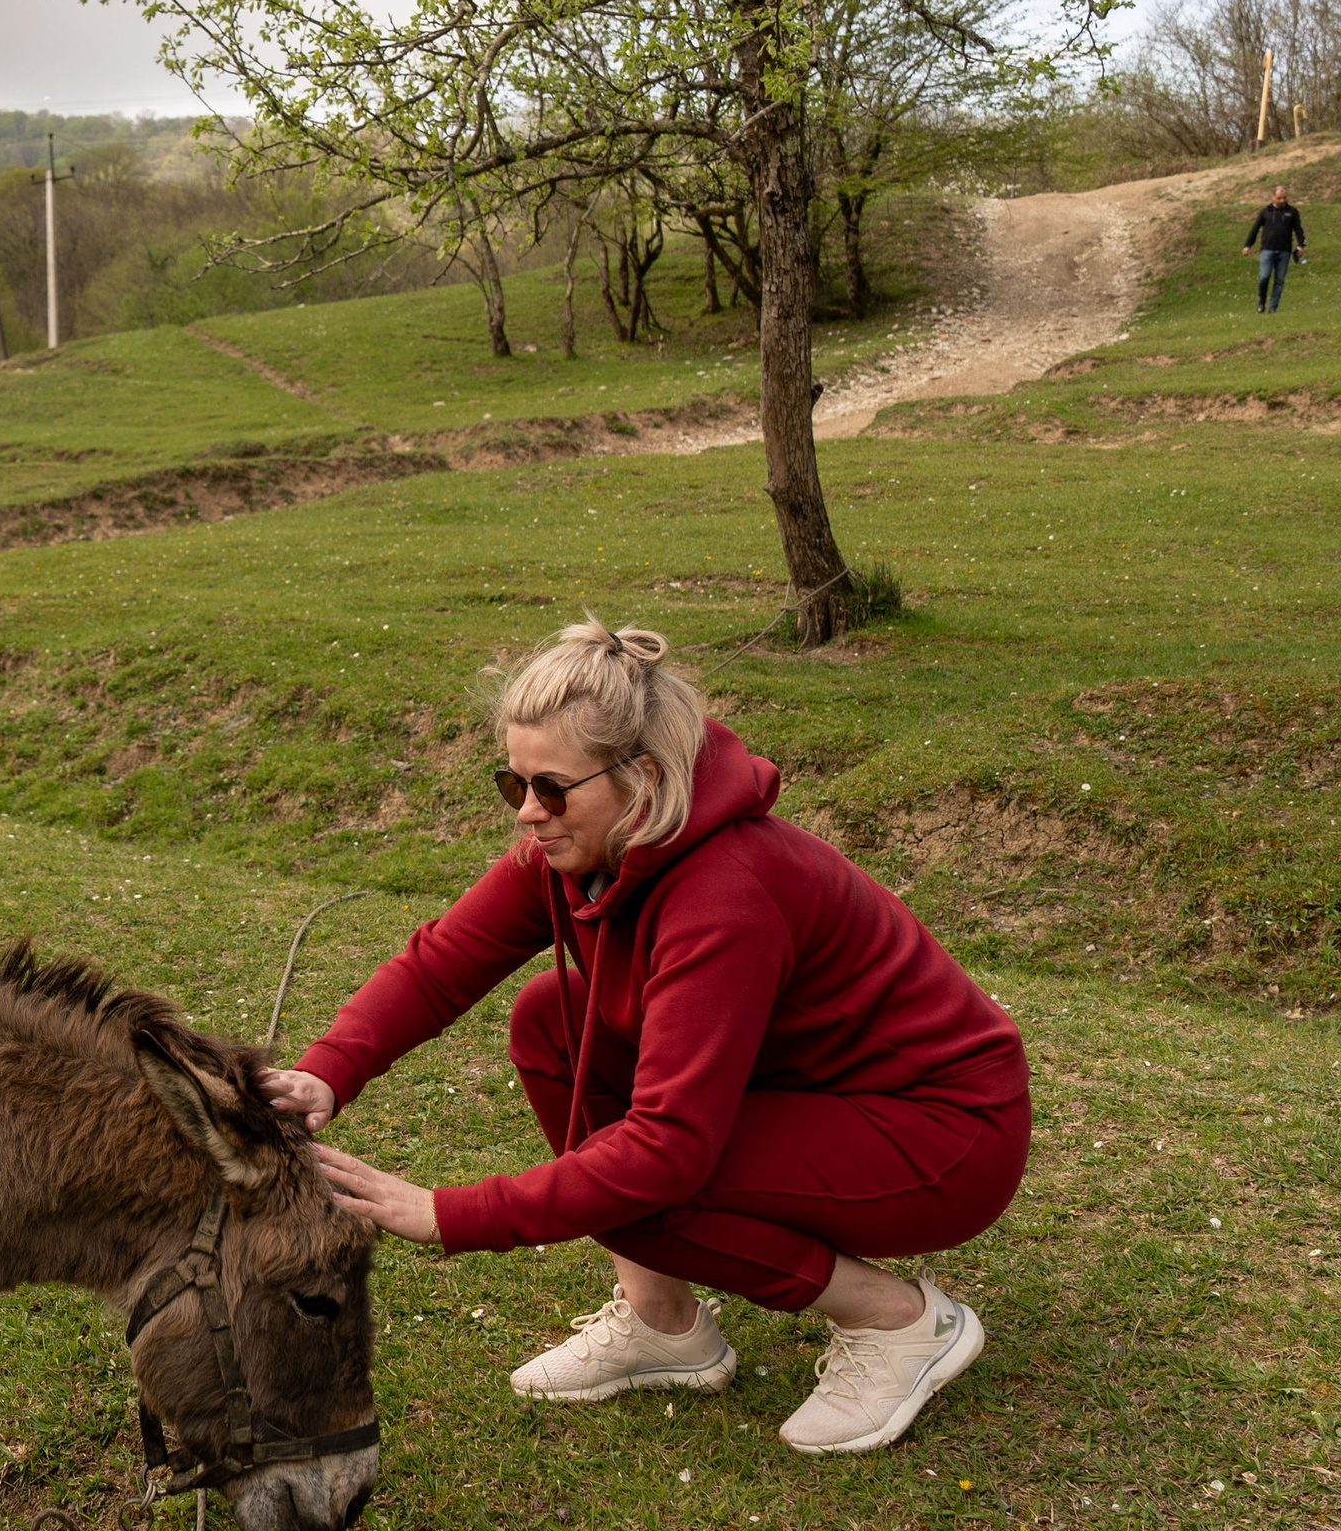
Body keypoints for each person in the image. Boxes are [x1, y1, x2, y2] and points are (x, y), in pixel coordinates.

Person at [264, 620, 1031, 1456]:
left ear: (643, 778)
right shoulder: (577, 850)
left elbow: (665, 1149)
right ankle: (663, 1322)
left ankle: (901, 1321)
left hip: (943, 1129)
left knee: (655, 1183)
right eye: (512, 783)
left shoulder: (724, 893)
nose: (528, 813)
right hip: (811, 1091)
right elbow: (442, 962)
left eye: (551, 788)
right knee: (550, 1016)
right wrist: (325, 1074)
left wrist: (449, 1214)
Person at [1242, 186, 1306, 314]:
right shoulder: (1265, 212)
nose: (1282, 200)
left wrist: (1301, 245)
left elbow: (1298, 230)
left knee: (1279, 280)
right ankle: (1261, 299)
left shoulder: (1292, 212)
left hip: (1285, 251)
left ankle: (1273, 307)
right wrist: (1248, 245)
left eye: (1284, 198)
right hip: (1267, 249)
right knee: (1264, 276)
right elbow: (1255, 229)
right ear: (1273, 197)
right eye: (1279, 198)